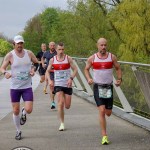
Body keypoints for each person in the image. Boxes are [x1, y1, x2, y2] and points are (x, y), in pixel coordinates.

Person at [84, 38, 122, 145]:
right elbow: (86, 69)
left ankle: (107, 113)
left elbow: (118, 68)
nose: (103, 47)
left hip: (108, 87)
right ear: (97, 46)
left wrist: (119, 79)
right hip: (98, 87)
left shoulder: (112, 57)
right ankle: (104, 136)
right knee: (101, 110)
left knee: (108, 113)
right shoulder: (93, 58)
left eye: (105, 45)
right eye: (101, 45)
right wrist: (88, 78)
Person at [0, 35, 38, 140]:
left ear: (23, 44)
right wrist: (5, 73)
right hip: (15, 87)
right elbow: (2, 68)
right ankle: (18, 131)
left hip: (27, 86)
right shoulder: (10, 55)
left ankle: (24, 111)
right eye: (18, 43)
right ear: (14, 44)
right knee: (15, 111)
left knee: (29, 109)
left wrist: (33, 70)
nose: (20, 45)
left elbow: (36, 63)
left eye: (21, 43)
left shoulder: (29, 53)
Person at [46, 42, 77, 131]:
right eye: (59, 49)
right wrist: (50, 80)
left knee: (67, 106)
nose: (61, 51)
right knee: (60, 103)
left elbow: (75, 69)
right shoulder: (53, 60)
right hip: (58, 84)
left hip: (67, 84)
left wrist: (71, 78)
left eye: (62, 49)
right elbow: (47, 71)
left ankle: (64, 97)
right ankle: (62, 123)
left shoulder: (68, 58)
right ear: (56, 50)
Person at [41, 42, 57, 109]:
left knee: (56, 88)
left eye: (53, 45)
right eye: (51, 45)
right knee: (51, 86)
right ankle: (53, 102)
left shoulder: (57, 52)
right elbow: (42, 58)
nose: (52, 46)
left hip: (57, 72)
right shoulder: (46, 53)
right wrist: (42, 64)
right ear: (49, 46)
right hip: (50, 72)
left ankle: (55, 95)